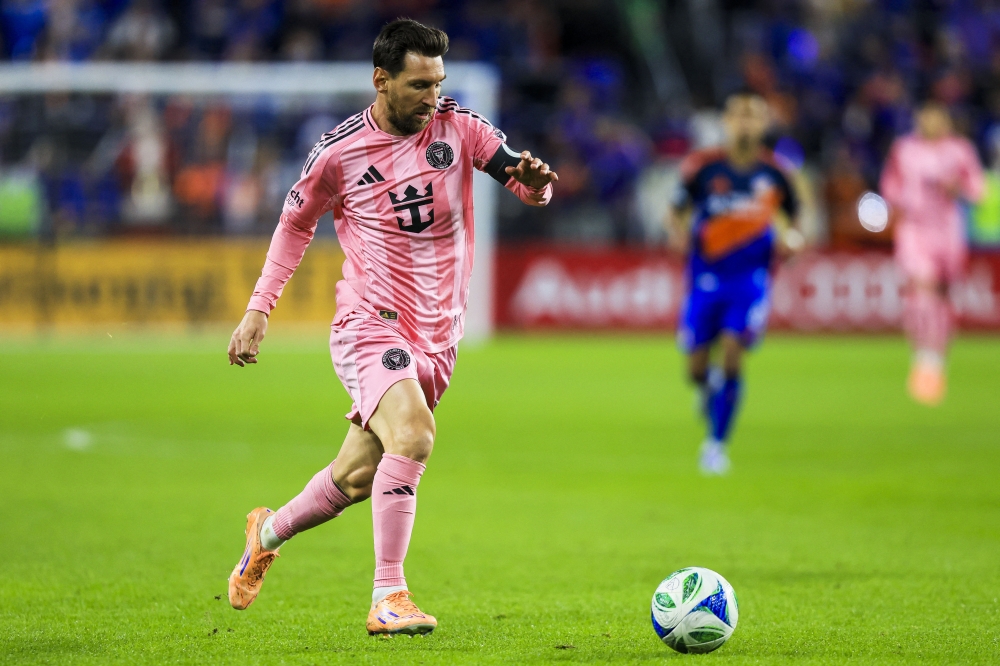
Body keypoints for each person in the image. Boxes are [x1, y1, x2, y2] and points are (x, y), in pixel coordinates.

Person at [225, 19, 557, 635]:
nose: (432, 97)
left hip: (438, 335)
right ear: (381, 81)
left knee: (354, 478)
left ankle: (265, 533)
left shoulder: (461, 128)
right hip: (370, 323)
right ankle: (388, 596)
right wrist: (258, 309)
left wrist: (534, 186)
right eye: (417, 85)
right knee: (414, 436)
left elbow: (516, 173)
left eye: (438, 83)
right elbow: (295, 225)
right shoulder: (338, 152)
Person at [666, 90, 801, 475]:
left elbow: (794, 219)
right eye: (738, 115)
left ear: (764, 124)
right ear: (726, 122)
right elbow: (676, 211)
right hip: (705, 277)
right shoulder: (704, 168)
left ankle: (715, 445)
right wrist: (678, 234)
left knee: (731, 351)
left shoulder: (776, 173)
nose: (745, 122)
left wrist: (793, 241)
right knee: (694, 369)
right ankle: (706, 386)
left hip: (750, 279)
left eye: (753, 116)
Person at [880, 101, 984, 405]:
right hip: (914, 227)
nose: (930, 122)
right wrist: (902, 202)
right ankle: (922, 356)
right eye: (925, 117)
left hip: (948, 228)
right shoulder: (903, 149)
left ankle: (936, 357)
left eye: (936, 117)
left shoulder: (960, 150)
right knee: (921, 285)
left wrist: (959, 189)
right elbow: (889, 186)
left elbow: (978, 187)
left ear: (945, 121)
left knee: (942, 294)